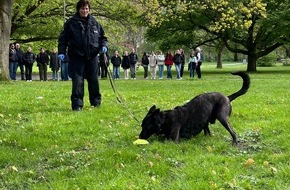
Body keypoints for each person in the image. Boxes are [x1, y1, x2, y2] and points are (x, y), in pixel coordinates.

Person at [58, 0, 108, 111]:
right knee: (77, 81)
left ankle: (96, 103)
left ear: (89, 10)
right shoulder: (71, 23)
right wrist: (61, 52)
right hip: (77, 56)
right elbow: (63, 39)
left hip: (92, 56)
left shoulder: (95, 23)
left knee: (94, 80)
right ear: (78, 10)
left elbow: (103, 38)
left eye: (86, 9)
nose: (84, 11)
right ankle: (77, 105)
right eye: (82, 9)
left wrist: (104, 45)